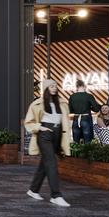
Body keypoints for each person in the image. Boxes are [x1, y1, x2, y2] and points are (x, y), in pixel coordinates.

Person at [25, 79, 72, 207]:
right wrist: (40, 127)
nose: (54, 88)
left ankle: (33, 190)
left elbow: (65, 121)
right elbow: (28, 122)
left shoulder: (62, 102)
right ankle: (56, 195)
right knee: (51, 162)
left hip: (58, 134)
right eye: (51, 86)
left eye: (55, 86)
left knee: (45, 163)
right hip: (44, 134)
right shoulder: (37, 104)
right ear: (46, 88)